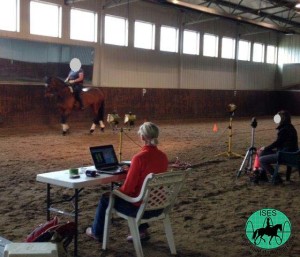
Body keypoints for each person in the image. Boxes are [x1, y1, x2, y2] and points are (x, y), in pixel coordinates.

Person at [86, 122, 169, 242]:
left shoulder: (139, 158)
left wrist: (115, 192)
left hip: (141, 210)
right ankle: (142, 231)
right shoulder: (163, 156)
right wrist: (132, 170)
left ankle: (96, 232)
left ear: (142, 137)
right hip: (158, 206)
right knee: (141, 194)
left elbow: (128, 190)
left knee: (106, 198)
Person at [259, 110, 298, 184]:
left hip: (285, 155)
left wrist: (265, 148)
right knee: (263, 153)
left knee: (262, 160)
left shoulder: (284, 129)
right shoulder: (290, 128)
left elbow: (277, 143)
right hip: (289, 153)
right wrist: (265, 149)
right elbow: (279, 143)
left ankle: (276, 178)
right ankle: (263, 174)